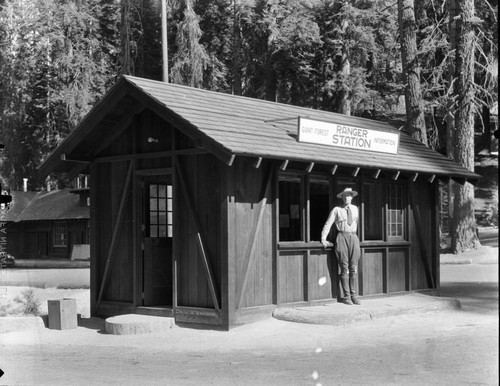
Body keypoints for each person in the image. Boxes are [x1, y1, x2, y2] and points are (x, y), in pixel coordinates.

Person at [321, 187, 361, 305]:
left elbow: (356, 223)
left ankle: (354, 295)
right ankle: (346, 296)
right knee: (344, 267)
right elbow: (328, 224)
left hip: (353, 237)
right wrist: (323, 238)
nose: (346, 197)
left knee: (353, 267)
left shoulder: (355, 209)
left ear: (352, 197)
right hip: (342, 237)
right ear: (342, 197)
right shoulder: (337, 210)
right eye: (344, 196)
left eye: (348, 195)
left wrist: (354, 238)